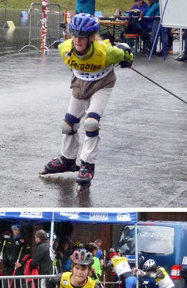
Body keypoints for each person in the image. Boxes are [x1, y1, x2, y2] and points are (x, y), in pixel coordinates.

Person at [40, 14, 133, 190]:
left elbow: (124, 52)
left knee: (91, 123)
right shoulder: (64, 48)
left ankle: (87, 165)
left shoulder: (106, 52)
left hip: (101, 84)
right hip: (79, 84)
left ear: (91, 37)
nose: (77, 40)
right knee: (68, 124)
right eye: (74, 35)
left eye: (82, 36)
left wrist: (127, 57)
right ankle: (67, 159)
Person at [0, 224, 30, 288]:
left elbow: (27, 253)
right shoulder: (6, 237)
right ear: (12, 230)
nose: (16, 232)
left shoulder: (23, 240)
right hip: (8, 267)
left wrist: (21, 263)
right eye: (15, 230)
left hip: (18, 268)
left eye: (18, 230)